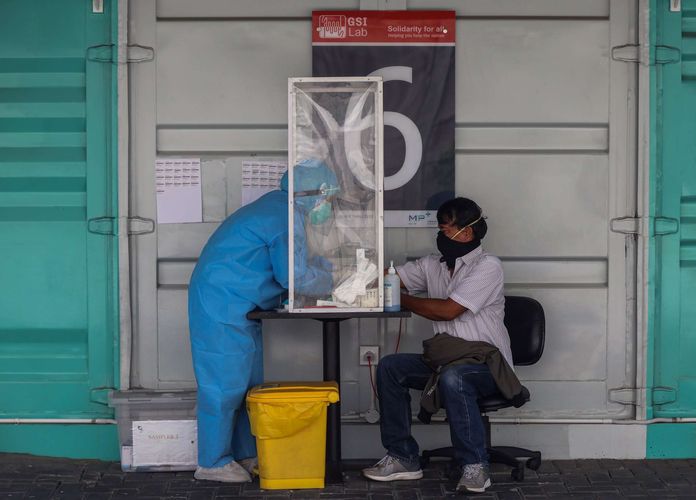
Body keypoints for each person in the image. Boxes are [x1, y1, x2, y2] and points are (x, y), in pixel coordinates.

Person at [188, 159, 338, 482]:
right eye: (328, 199)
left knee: (248, 387)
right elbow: (292, 276)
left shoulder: (281, 209)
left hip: (238, 304)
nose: (328, 207)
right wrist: (332, 278)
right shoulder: (284, 216)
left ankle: (243, 454)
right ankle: (211, 462)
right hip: (221, 301)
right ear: (315, 193)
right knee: (224, 385)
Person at [362, 197, 520, 494]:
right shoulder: (432, 265)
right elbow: (390, 278)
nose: (441, 235)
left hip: (487, 365)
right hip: (447, 360)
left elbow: (447, 310)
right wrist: (361, 273)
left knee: (454, 377)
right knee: (390, 367)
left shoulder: (488, 267)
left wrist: (396, 295)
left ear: (467, 232)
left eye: (446, 229)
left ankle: (475, 466)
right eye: (440, 228)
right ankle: (403, 458)